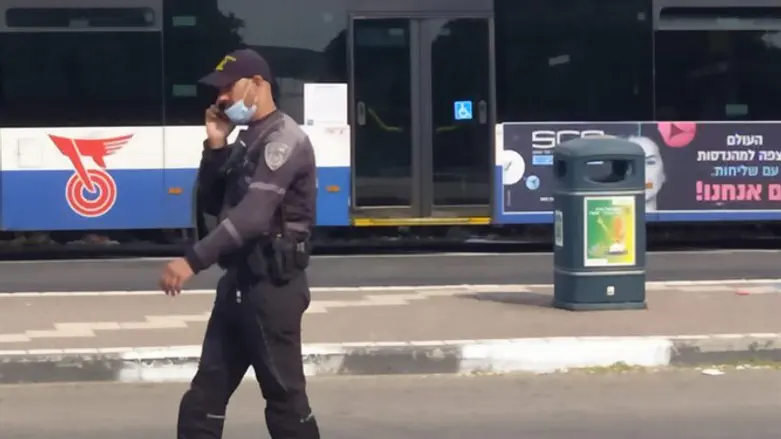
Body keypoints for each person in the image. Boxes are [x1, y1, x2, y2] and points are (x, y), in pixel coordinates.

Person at [158, 48, 320, 439]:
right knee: (203, 399)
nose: (222, 99)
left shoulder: (285, 140)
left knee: (285, 402)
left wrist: (191, 261)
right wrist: (215, 146)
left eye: (229, 88)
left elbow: (252, 217)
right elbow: (214, 206)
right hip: (238, 285)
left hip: (272, 288)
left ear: (258, 85)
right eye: (219, 91)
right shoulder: (248, 139)